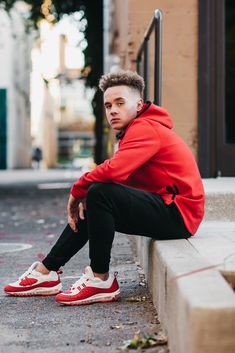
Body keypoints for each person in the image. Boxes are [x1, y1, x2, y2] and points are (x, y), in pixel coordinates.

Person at [4, 70, 205, 306]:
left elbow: (114, 171)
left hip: (178, 214)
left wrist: (78, 189)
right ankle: (47, 271)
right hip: (167, 208)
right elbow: (118, 176)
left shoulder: (145, 128)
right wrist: (87, 193)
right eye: (108, 105)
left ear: (139, 105)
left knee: (99, 192)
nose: (113, 110)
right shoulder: (133, 131)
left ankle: (100, 279)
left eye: (120, 103)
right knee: (96, 195)